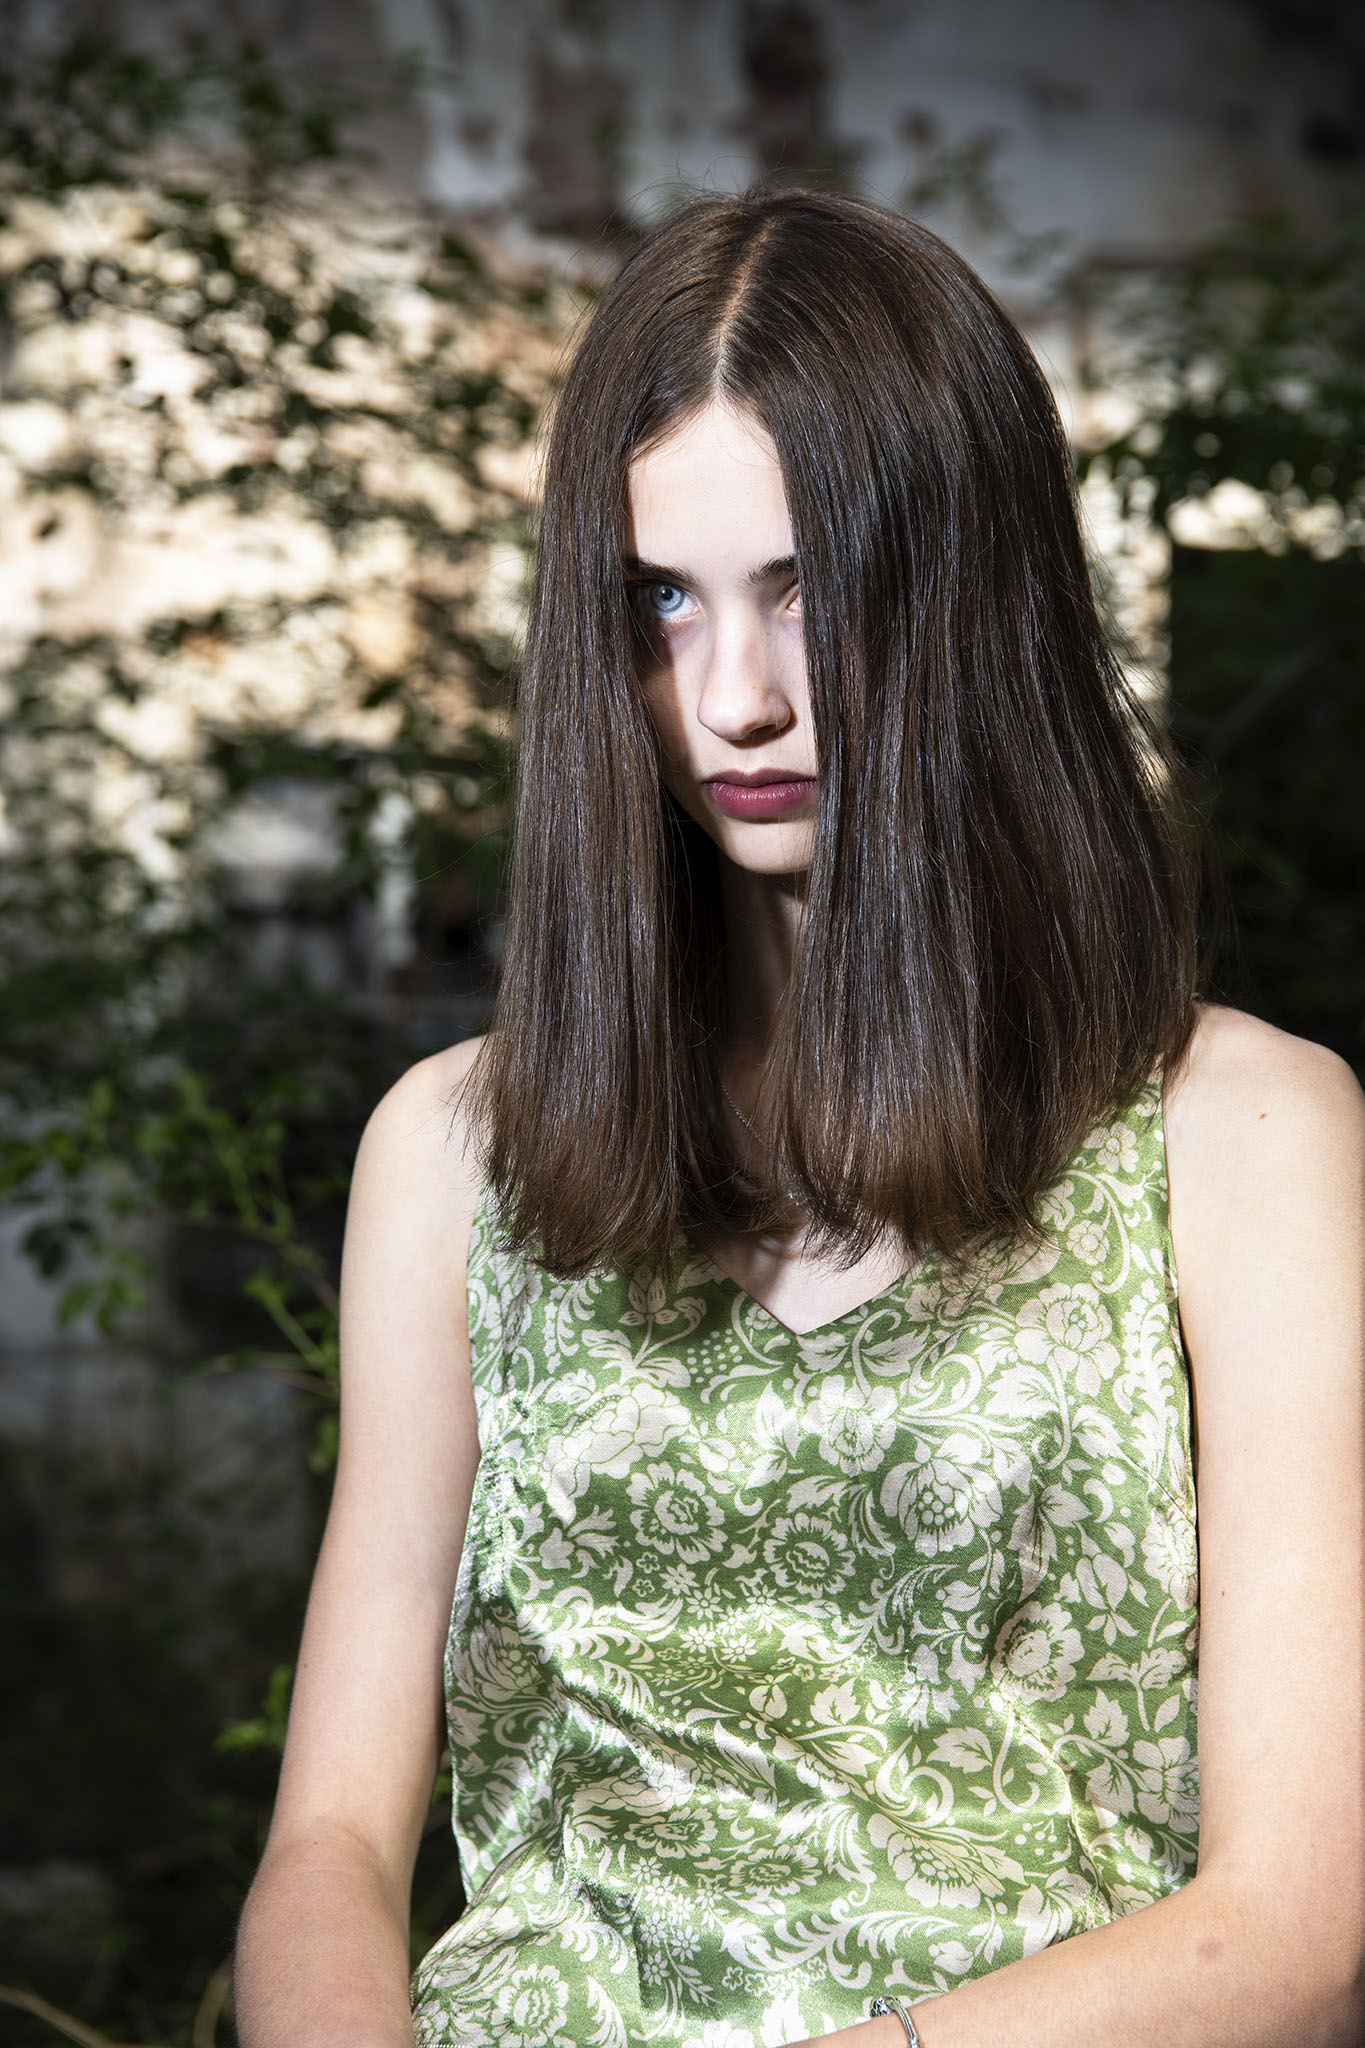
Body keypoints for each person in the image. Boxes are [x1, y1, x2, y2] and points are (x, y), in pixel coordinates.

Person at [233, 189, 1364, 2048]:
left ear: (971, 591)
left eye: (806, 588)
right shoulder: (450, 1152)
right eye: (660, 601)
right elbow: (332, 1847)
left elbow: (1295, 1933)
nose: (734, 698)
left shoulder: (1239, 1133)